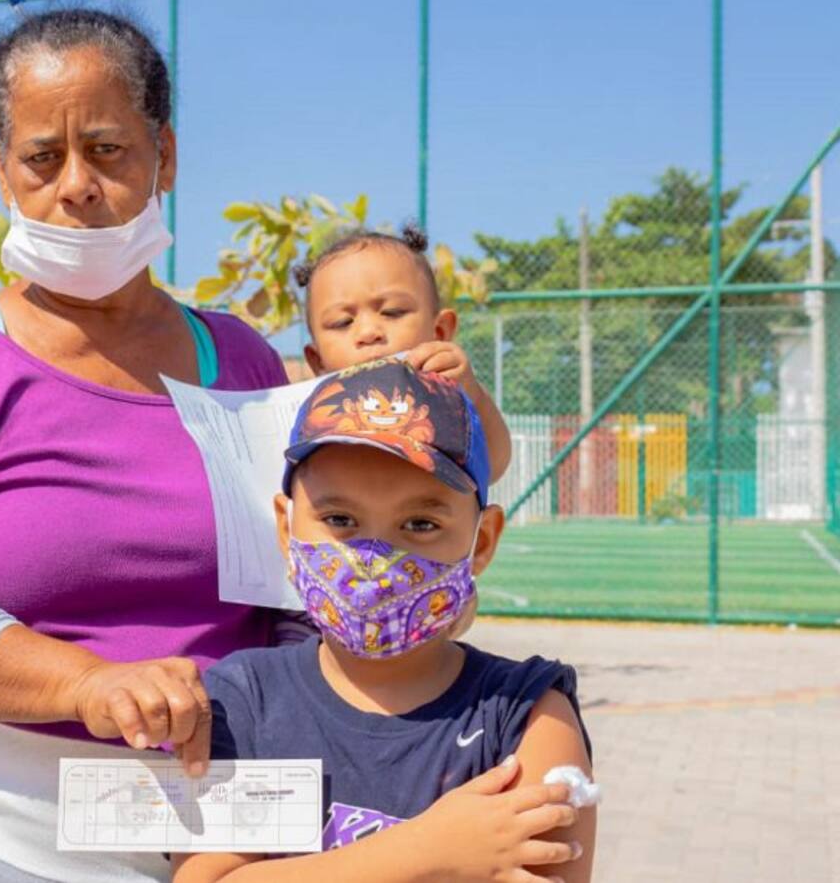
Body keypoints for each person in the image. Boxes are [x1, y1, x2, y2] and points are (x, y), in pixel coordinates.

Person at [0, 8, 291, 883]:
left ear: (166, 155)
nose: (75, 184)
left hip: (230, 844)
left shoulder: (243, 361)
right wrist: (88, 685)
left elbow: (300, 586)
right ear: (6, 172)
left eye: (109, 149)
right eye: (43, 157)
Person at [173, 358, 596, 883]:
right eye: (340, 520)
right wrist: (424, 852)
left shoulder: (528, 715)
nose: (373, 561)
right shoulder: (242, 699)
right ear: (286, 529)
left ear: (481, 540)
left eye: (420, 523)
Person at [295, 224, 512, 481]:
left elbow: (493, 466)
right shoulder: (315, 416)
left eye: (392, 312)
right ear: (317, 360)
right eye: (343, 322)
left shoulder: (442, 401)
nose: (368, 332)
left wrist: (471, 393)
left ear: (440, 331)